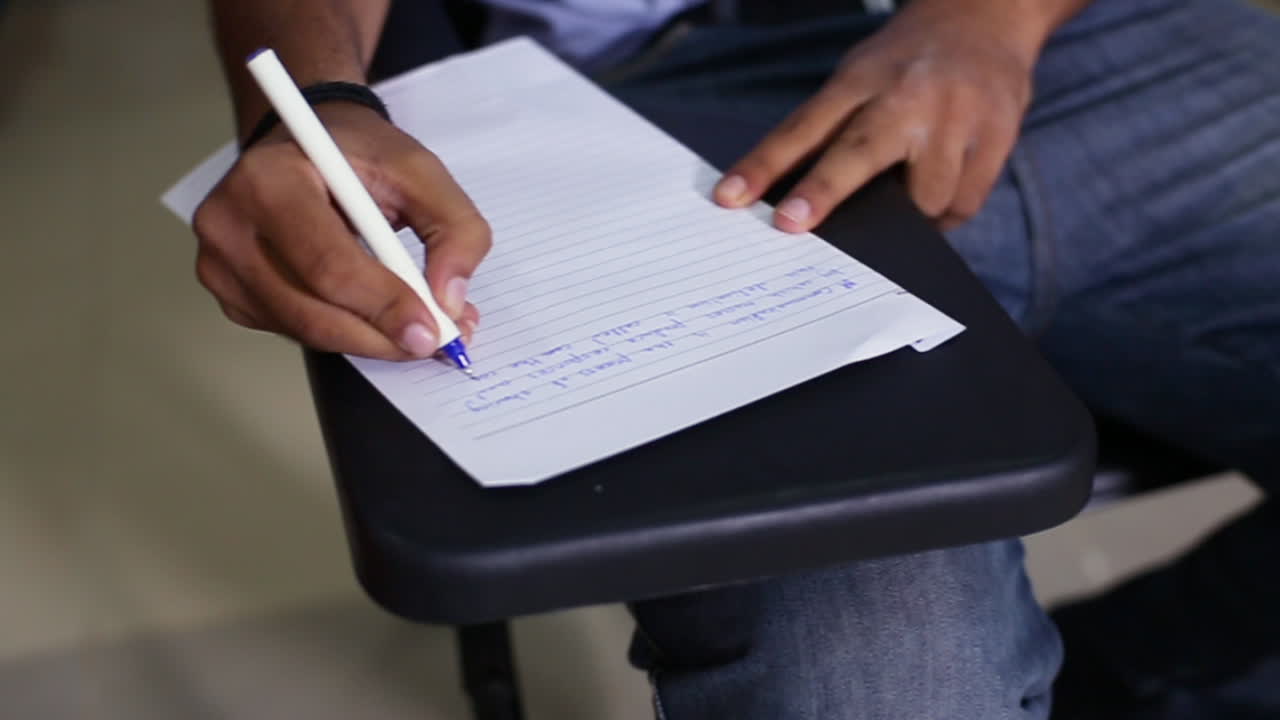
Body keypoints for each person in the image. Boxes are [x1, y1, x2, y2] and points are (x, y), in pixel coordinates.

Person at [190, 0, 1280, 717]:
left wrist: (987, 22)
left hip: (1082, 33)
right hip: (608, 92)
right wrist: (317, 111)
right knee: (883, 687)